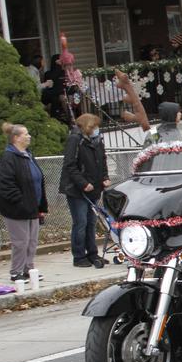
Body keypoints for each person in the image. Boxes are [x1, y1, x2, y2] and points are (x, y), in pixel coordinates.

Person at [0, 123, 48, 285]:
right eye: (25, 134)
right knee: (20, 242)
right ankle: (16, 272)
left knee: (32, 240)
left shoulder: (28, 155)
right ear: (16, 138)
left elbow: (38, 181)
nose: (29, 136)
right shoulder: (8, 158)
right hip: (17, 209)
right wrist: (22, 202)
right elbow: (6, 185)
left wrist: (41, 205)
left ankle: (28, 269)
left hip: (33, 207)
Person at [60, 113, 110, 269]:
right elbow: (70, 165)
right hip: (78, 190)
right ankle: (79, 255)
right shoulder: (75, 139)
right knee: (80, 222)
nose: (96, 129)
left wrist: (104, 177)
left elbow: (102, 160)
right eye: (94, 126)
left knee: (91, 221)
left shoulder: (97, 140)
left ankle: (92, 253)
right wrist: (83, 183)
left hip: (94, 187)